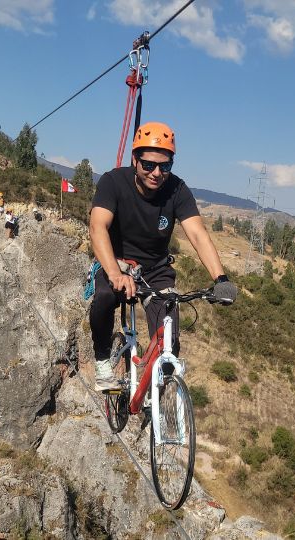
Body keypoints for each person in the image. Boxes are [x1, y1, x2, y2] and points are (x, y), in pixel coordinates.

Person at [89, 121, 237, 391]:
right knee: (104, 297)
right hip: (118, 261)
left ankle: (159, 400)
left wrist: (220, 278)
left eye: (165, 166)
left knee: (169, 340)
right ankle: (101, 359)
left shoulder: (177, 189)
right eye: (148, 165)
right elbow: (98, 226)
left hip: (156, 269)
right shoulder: (113, 182)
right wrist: (114, 273)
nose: (157, 173)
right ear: (135, 160)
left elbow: (197, 234)